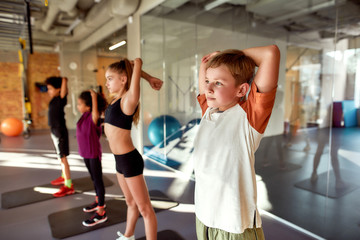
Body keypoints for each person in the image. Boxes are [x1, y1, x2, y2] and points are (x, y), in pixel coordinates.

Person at [194, 45, 280, 240]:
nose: (208, 88)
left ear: (241, 89)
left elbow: (271, 53)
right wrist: (215, 65)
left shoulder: (248, 117)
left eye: (218, 83)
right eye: (207, 81)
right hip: (204, 218)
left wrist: (226, 55)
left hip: (234, 226)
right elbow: (205, 65)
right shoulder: (208, 111)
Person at [104, 58, 163, 240]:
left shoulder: (128, 100)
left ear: (123, 80)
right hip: (119, 161)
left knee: (145, 208)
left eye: (110, 78)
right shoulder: (114, 101)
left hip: (129, 160)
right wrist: (148, 76)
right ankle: (128, 235)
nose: (106, 83)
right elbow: (130, 73)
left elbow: (133, 73)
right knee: (130, 202)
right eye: (106, 79)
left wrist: (138, 65)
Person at [76, 89, 108, 226]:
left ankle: (101, 212)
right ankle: (97, 201)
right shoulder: (83, 116)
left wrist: (94, 96)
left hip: (93, 154)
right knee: (93, 179)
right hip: (85, 154)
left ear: (88, 106)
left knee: (98, 180)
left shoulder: (93, 117)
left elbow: (95, 112)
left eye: (80, 104)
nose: (78, 106)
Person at [45, 76, 74, 197]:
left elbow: (64, 92)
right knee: (59, 156)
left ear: (58, 89)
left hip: (60, 131)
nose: (49, 91)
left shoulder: (60, 99)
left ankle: (68, 185)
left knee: (62, 157)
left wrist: (64, 81)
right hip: (54, 131)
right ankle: (63, 177)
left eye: (50, 88)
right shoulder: (53, 100)